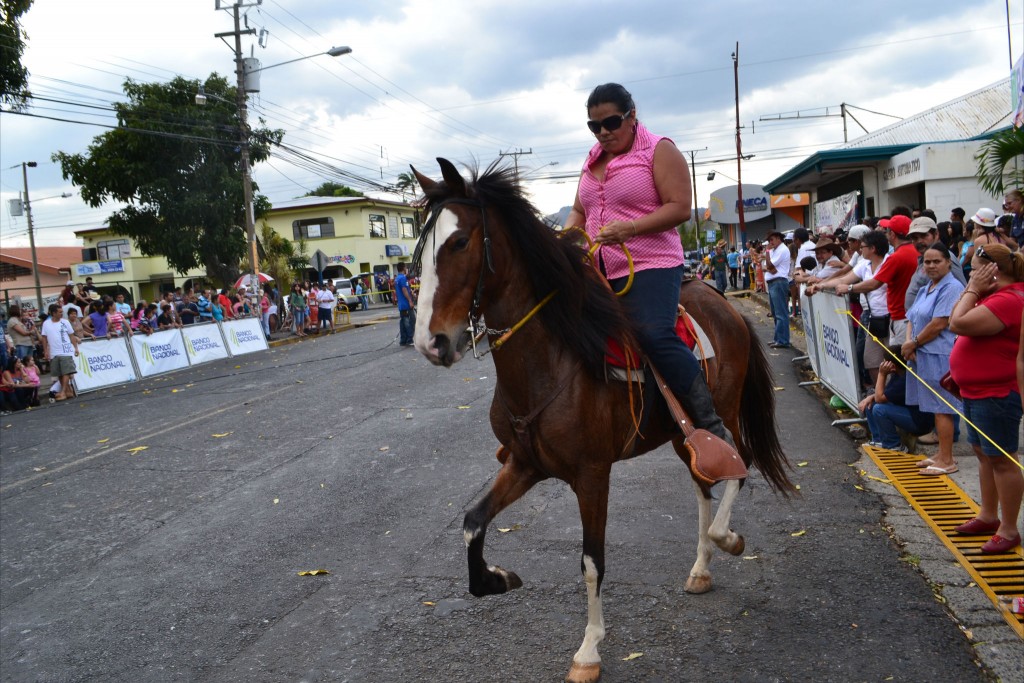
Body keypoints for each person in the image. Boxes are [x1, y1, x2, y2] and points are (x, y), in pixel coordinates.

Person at [564, 82, 738, 453]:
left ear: (632, 116)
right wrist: (563, 242)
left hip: (651, 263)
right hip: (598, 268)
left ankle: (710, 424)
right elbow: (580, 211)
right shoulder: (592, 158)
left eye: (610, 122)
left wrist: (630, 228)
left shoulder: (659, 150)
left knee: (653, 333)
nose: (603, 132)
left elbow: (679, 206)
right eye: (594, 126)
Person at [948, 243, 1024, 553]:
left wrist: (971, 289)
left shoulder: (1009, 299)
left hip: (997, 393)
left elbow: (958, 322)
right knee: (983, 454)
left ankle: (1008, 528)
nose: (969, 272)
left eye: (973, 267)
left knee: (1002, 460)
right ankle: (989, 515)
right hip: (976, 391)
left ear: (990, 269)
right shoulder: (995, 296)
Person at [902, 243, 963, 476]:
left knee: (942, 408)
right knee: (933, 408)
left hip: (939, 355)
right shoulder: (926, 287)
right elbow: (912, 317)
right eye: (927, 262)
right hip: (920, 354)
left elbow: (939, 323)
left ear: (948, 262)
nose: (931, 266)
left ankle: (947, 459)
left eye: (936, 261)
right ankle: (940, 454)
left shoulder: (952, 287)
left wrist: (913, 343)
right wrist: (910, 344)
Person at [844, 214, 918, 346]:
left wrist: (849, 288)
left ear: (892, 234)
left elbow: (874, 284)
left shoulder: (895, 257)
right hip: (909, 316)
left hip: (900, 317)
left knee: (896, 363)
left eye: (887, 231)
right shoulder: (917, 252)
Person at [859, 345, 935, 450]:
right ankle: (879, 440)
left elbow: (880, 398)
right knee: (871, 405)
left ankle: (894, 445)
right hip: (908, 413)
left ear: (892, 366)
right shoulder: (898, 374)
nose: (882, 364)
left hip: (919, 421)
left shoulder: (905, 380)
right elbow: (883, 394)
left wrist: (882, 374)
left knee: (879, 409)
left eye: (884, 361)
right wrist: (870, 397)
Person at [40, 303, 79, 401]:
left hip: (65, 350)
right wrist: (45, 351)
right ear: (53, 313)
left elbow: (71, 335)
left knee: (66, 371)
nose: (62, 314)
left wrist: (75, 348)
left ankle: (63, 391)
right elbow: (44, 338)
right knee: (59, 373)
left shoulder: (65, 322)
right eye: (60, 312)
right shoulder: (46, 323)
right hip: (54, 351)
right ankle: (68, 391)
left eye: (62, 312)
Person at [762, 231, 792, 348]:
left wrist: (768, 252)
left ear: (779, 238)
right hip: (774, 282)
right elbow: (769, 268)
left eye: (772, 240)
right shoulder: (776, 250)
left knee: (780, 313)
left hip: (778, 282)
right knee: (776, 313)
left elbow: (769, 266)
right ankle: (778, 338)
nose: (770, 242)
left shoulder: (782, 250)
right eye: (769, 240)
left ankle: (783, 340)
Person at [395, 261, 416, 346]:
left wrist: (411, 293)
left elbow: (403, 290)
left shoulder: (397, 279)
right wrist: (410, 301)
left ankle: (403, 340)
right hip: (406, 304)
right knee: (411, 320)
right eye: (406, 267)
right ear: (403, 268)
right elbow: (404, 290)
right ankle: (410, 339)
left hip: (401, 304)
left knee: (403, 321)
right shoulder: (403, 278)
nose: (406, 269)